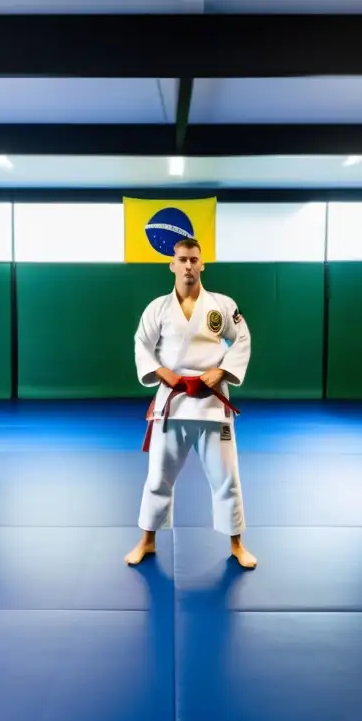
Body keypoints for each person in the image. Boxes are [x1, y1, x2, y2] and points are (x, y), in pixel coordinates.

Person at [125, 237, 256, 569]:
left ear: (202, 264)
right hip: (172, 402)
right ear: (172, 264)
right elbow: (142, 342)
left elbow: (242, 338)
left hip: (213, 403)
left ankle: (237, 545)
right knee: (157, 476)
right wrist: (159, 370)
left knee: (227, 477)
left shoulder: (222, 305)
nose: (187, 265)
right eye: (182, 259)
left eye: (193, 259)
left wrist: (223, 369)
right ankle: (147, 541)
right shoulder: (157, 308)